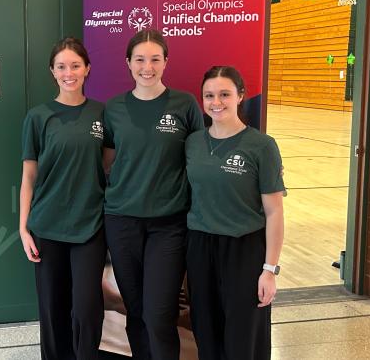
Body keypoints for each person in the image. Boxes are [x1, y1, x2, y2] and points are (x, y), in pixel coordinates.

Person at [102, 29, 204, 360]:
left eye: (155, 59)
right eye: (140, 59)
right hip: (122, 221)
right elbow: (106, 163)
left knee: (159, 314)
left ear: (165, 62)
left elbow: (203, 156)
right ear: (128, 63)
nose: (148, 67)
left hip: (169, 224)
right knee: (135, 310)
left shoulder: (185, 104)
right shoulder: (114, 108)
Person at [184, 66, 285, 360]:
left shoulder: (261, 146)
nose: (217, 102)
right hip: (201, 246)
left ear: (240, 96)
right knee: (206, 331)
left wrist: (270, 270)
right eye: (209, 95)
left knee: (243, 335)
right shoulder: (193, 143)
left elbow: (275, 212)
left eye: (225, 94)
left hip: (245, 249)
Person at [19, 37, 107, 360]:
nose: (68, 72)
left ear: (87, 69)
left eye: (75, 65)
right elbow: (29, 176)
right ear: (52, 72)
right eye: (61, 67)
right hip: (47, 225)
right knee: (53, 309)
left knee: (86, 307)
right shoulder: (38, 117)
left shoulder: (102, 113)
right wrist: (23, 229)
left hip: (90, 226)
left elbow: (108, 166)